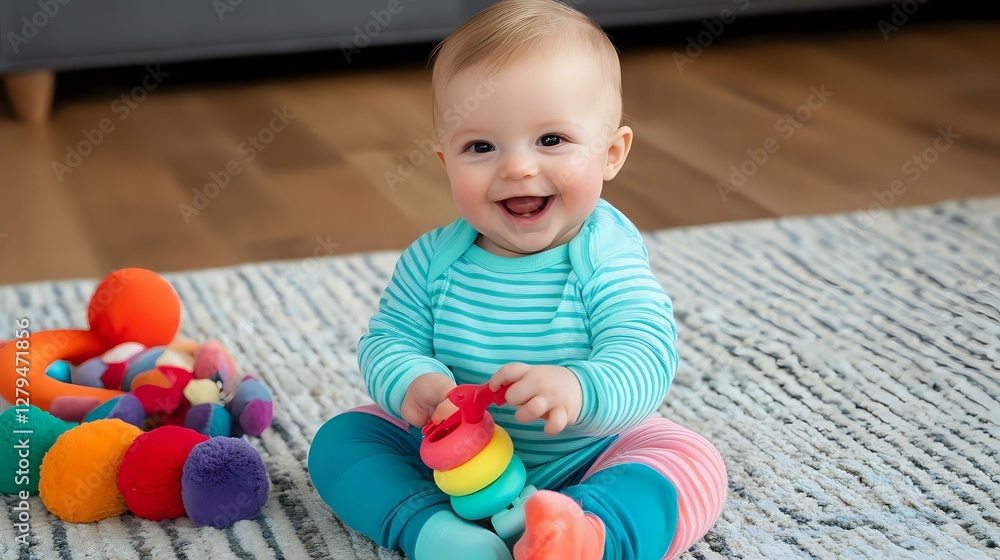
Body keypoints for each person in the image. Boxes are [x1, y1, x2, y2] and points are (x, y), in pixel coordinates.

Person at [308, 1, 727, 558]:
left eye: (551, 140)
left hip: (585, 455)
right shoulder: (432, 260)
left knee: (688, 460)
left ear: (611, 154)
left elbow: (645, 354)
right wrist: (417, 382)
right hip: (452, 462)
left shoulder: (606, 257)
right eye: (480, 147)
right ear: (445, 161)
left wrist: (581, 389)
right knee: (343, 440)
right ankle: (435, 534)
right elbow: (388, 341)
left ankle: (588, 537)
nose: (517, 168)